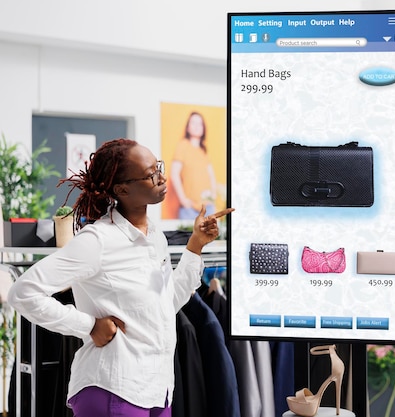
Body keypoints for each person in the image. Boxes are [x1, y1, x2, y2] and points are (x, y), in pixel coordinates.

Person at [8, 138, 234, 417]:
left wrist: (195, 246)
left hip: (157, 391)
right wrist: (88, 325)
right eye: (151, 174)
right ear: (122, 189)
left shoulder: (155, 237)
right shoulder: (98, 240)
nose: (162, 178)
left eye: (159, 167)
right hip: (112, 390)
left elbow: (165, 307)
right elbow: (23, 292)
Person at [170, 111, 218, 220]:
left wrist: (213, 196)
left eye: (199, 123)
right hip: (190, 209)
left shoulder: (204, 150)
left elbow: (211, 175)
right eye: (193, 123)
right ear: (187, 128)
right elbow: (174, 174)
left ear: (203, 128)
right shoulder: (182, 146)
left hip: (208, 208)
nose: (196, 126)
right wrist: (183, 200)